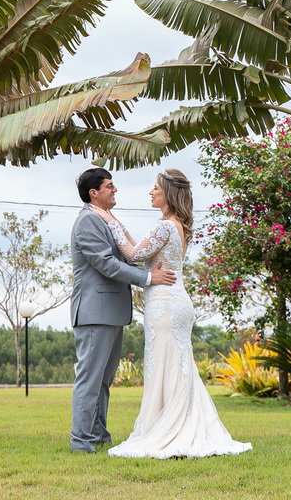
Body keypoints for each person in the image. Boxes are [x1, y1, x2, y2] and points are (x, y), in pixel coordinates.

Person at [100, 168, 252, 459]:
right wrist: (116, 221)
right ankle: (181, 421)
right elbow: (140, 249)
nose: (151, 192)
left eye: (155, 188)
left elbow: (131, 255)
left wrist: (110, 221)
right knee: (177, 364)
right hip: (176, 301)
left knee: (166, 364)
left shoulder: (166, 227)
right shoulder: (174, 224)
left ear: (168, 193)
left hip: (165, 304)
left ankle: (171, 427)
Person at [70, 167, 176, 454]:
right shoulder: (88, 222)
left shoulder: (105, 220)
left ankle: (99, 435)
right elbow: (105, 263)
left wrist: (145, 270)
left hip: (111, 311)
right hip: (95, 312)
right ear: (94, 193)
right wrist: (147, 278)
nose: (115, 190)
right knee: (90, 379)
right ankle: (81, 442)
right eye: (109, 186)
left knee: (103, 381)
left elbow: (123, 258)